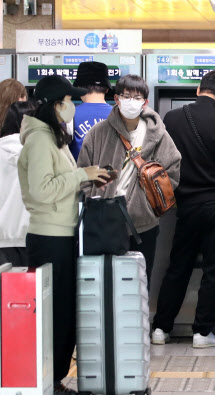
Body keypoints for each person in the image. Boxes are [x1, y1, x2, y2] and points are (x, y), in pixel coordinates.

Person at [17, 76, 110, 394]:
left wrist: (88, 179)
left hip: (62, 233)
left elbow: (59, 183)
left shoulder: (51, 137)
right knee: (55, 314)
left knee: (63, 311)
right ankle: (50, 381)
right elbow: (43, 191)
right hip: (50, 237)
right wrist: (81, 174)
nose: (73, 105)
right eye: (69, 100)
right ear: (56, 104)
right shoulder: (40, 140)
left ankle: (54, 378)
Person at [151, 69, 215, 349]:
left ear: (198, 89)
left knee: (178, 266)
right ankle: (202, 333)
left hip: (185, 205)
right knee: (214, 270)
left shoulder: (172, 118)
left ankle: (161, 329)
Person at [77, 74, 181, 290]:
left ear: (145, 102)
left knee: (140, 282)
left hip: (144, 223)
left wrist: (150, 203)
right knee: (107, 284)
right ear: (116, 98)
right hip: (106, 221)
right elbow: (82, 172)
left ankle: (140, 324)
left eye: (137, 97)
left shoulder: (157, 133)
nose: (131, 101)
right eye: (126, 96)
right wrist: (93, 199)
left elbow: (173, 169)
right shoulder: (99, 132)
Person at [0, 101, 36, 266]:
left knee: (4, 290)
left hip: (2, 240)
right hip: (33, 236)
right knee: (33, 290)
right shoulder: (40, 154)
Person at [70, 61, 114, 160]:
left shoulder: (69, 115)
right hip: (113, 174)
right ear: (107, 89)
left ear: (79, 88)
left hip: (79, 174)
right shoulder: (120, 115)